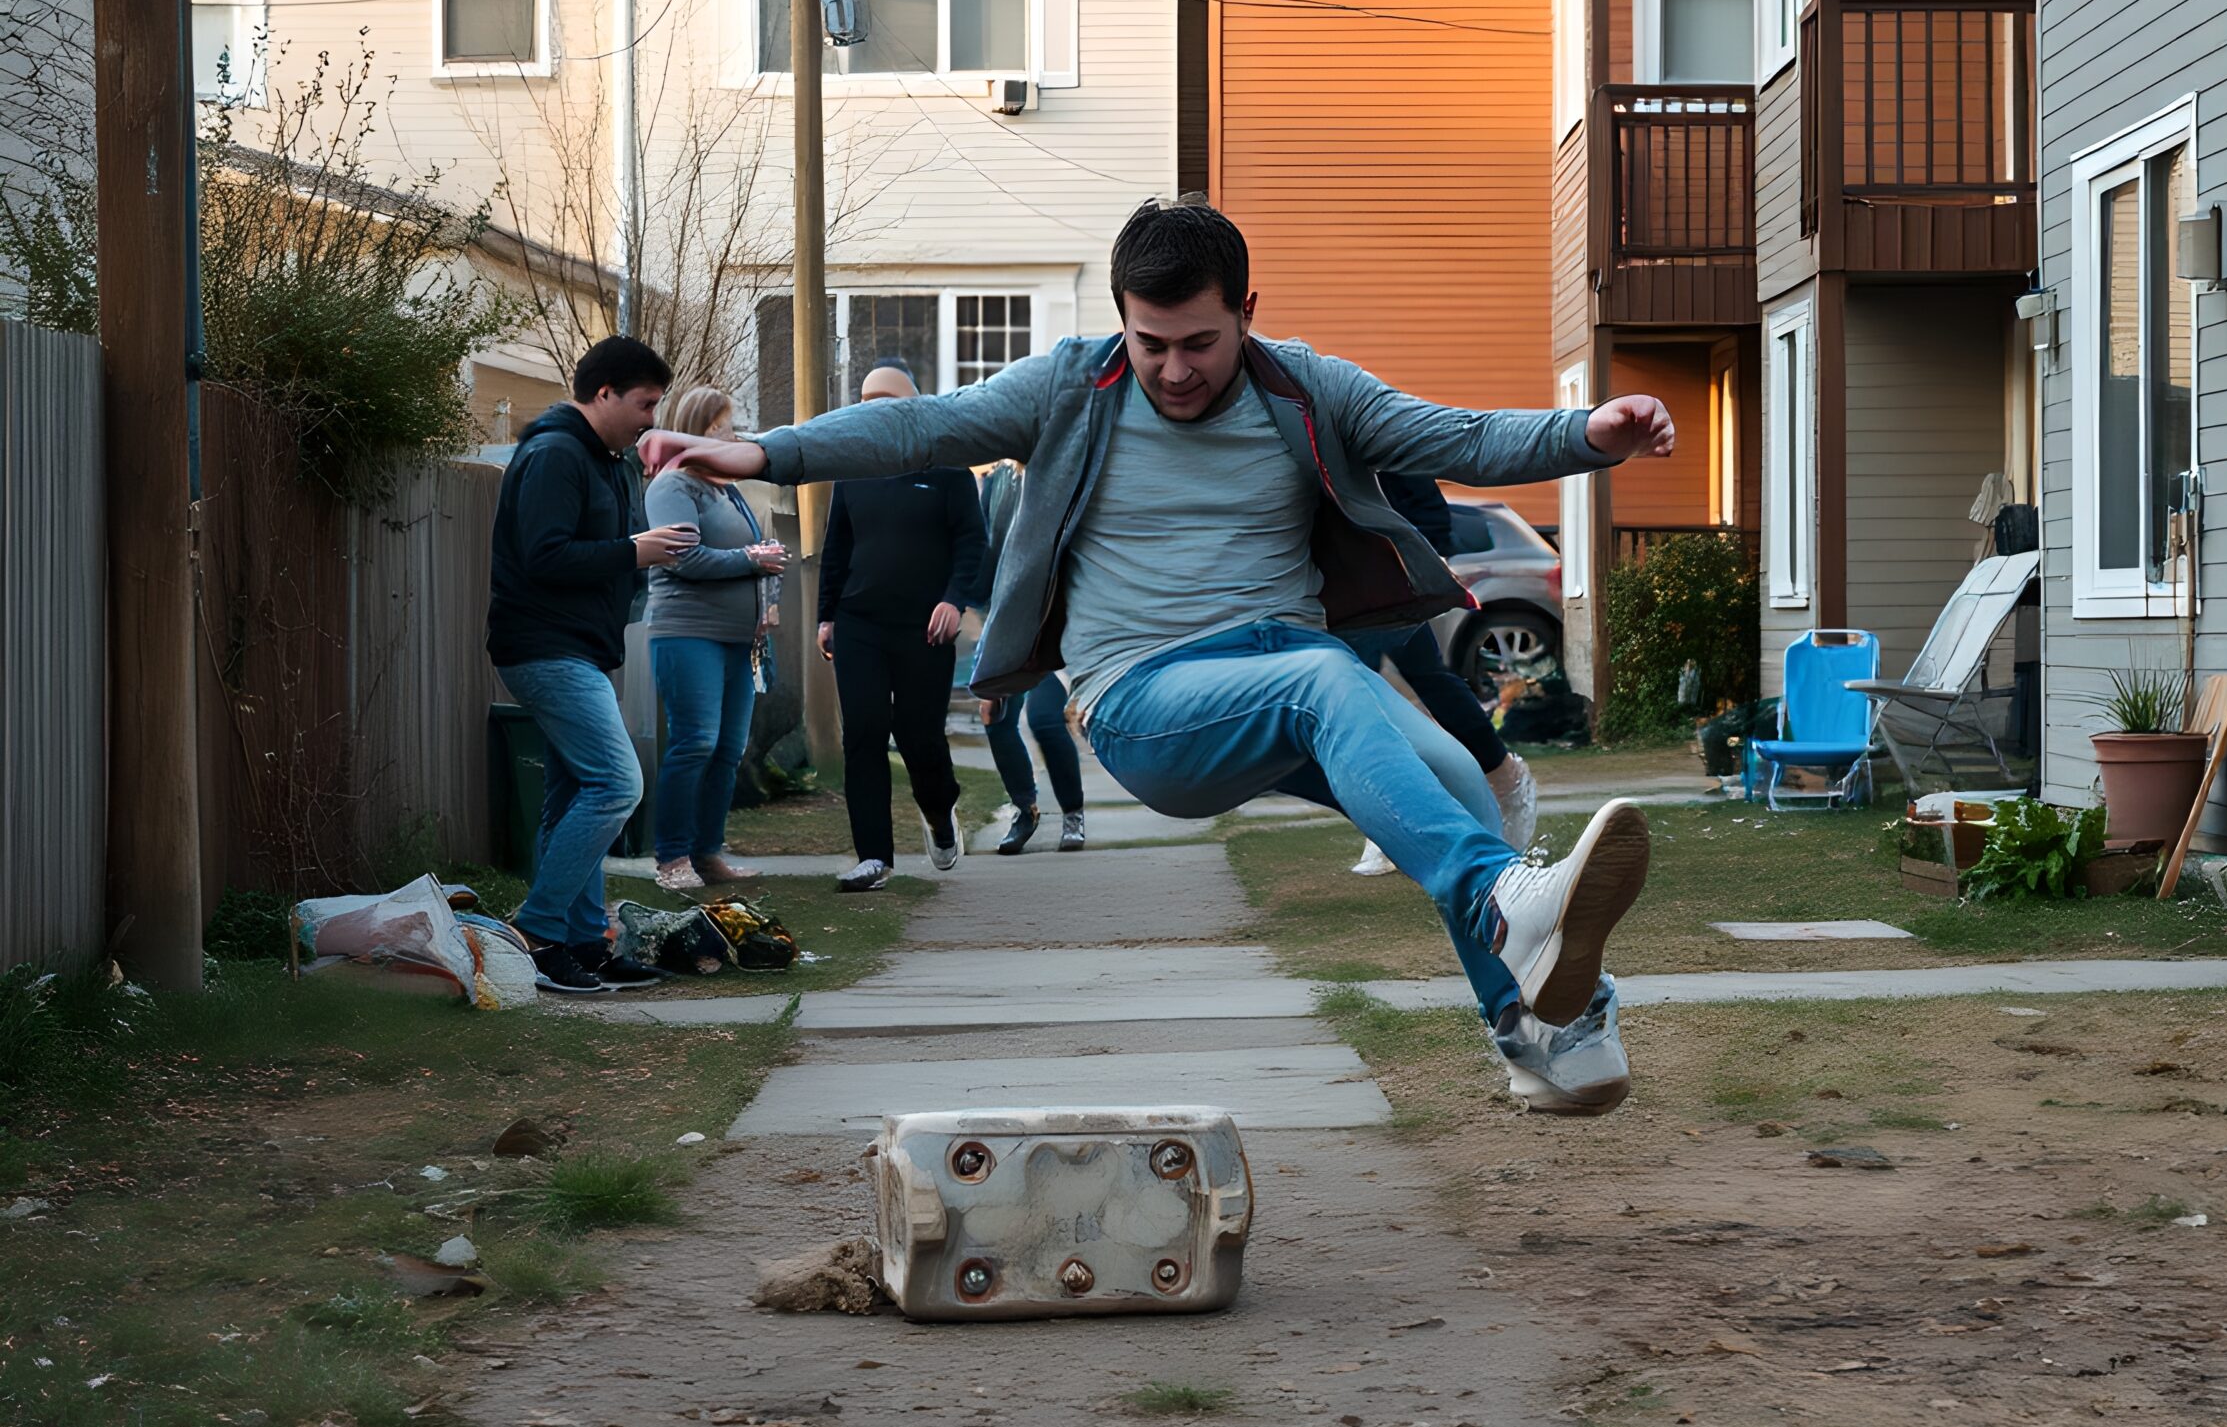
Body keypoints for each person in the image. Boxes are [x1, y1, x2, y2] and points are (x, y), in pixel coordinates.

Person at [645, 201, 1676, 1114]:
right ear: (1119, 318)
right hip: (1144, 701)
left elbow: (1454, 435)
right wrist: (765, 452)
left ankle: (1540, 1038)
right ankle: (1506, 908)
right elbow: (921, 426)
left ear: (1247, 311)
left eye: (1200, 342)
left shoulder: (1308, 386)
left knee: (1460, 782)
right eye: (1151, 343)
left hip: (1279, 677)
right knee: (1331, 684)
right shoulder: (1069, 388)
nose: (1175, 369)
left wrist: (1589, 430)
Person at [487, 334, 692, 995]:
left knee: (574, 796)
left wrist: (642, 554)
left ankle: (580, 943)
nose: (650, 418)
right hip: (544, 647)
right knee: (616, 784)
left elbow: (606, 548)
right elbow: (545, 556)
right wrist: (635, 551)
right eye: (644, 403)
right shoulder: (553, 455)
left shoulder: (610, 459)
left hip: (584, 646)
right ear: (603, 393)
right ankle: (538, 930)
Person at [816, 364, 988, 893]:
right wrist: (826, 615)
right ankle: (873, 857)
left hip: (925, 628)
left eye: (886, 396)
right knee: (864, 733)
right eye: (866, 398)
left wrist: (954, 601)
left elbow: (972, 544)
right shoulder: (853, 468)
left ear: (912, 402)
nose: (875, 406)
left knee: (918, 736)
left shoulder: (947, 468)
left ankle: (939, 813)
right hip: (859, 622)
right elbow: (837, 547)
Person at [1345, 471, 1538, 879]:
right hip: (1343, 578)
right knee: (1368, 695)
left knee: (1425, 683)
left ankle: (1506, 780)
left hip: (1398, 574)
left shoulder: (1372, 423)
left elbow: (1421, 496)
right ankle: (1391, 815)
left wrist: (1426, 562)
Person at [643, 384, 787, 895]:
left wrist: (767, 586)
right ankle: (671, 857)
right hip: (688, 634)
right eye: (720, 428)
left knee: (729, 749)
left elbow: (753, 554)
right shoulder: (673, 486)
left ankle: (708, 851)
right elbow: (682, 558)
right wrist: (751, 559)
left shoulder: (726, 490)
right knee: (695, 743)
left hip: (737, 641)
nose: (731, 436)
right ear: (694, 431)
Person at [971, 459, 1087, 855]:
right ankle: (1026, 809)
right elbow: (988, 543)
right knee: (994, 714)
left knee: (1045, 719)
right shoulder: (1001, 477)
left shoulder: (1065, 467)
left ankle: (1073, 813)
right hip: (1009, 613)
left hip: (1059, 614)